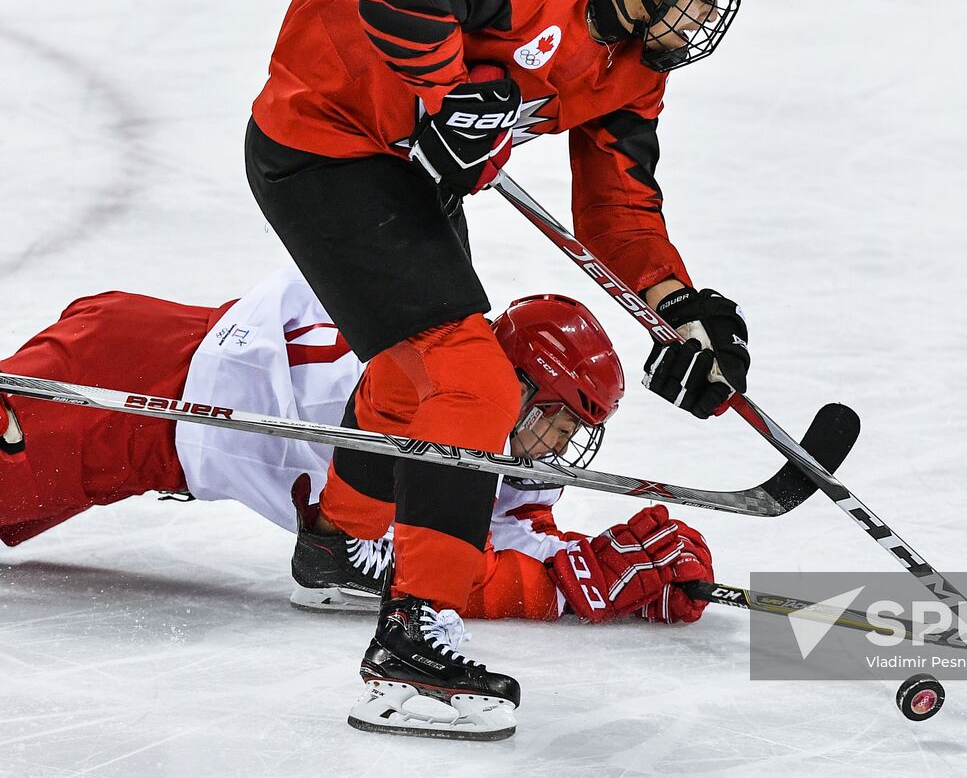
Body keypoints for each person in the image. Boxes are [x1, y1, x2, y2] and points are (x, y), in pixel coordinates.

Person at [242, 0, 752, 737]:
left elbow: (619, 207)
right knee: (472, 383)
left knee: (413, 379)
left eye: (716, 4)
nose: (704, 19)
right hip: (324, 135)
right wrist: (447, 96)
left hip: (406, 171)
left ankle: (336, 549)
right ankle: (411, 649)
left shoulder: (636, 69)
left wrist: (679, 307)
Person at [0, 267, 713, 739]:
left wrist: (604, 574)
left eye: (575, 429)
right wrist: (568, 588)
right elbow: (441, 565)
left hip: (144, 408)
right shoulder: (425, 403)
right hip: (119, 392)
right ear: (519, 386)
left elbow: (505, 532)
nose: (559, 443)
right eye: (558, 417)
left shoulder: (477, 401)